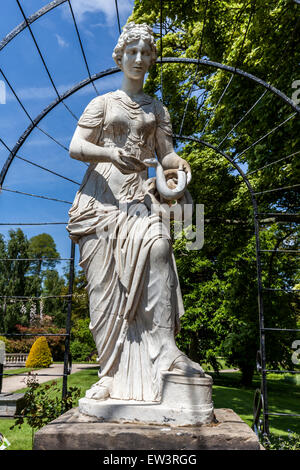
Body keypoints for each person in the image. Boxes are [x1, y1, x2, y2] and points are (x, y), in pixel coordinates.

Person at [67, 22, 204, 402]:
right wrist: (110, 153)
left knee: (160, 246)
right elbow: (76, 146)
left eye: (146, 53)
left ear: (151, 59)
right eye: (133, 52)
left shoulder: (157, 108)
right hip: (98, 202)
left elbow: (167, 153)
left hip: (138, 200)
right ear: (120, 56)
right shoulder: (103, 103)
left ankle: (165, 352)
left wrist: (179, 166)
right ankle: (109, 374)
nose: (140, 59)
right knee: (102, 289)